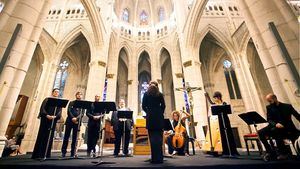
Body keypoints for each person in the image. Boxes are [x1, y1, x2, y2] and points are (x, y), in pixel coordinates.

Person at [258, 93, 300, 160]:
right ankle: (270, 151)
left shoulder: (287, 106)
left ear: (275, 98)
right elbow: (269, 119)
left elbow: (297, 116)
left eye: (270, 101)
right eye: (268, 101)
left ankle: (283, 153)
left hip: (287, 126)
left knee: (277, 132)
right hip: (274, 125)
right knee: (260, 132)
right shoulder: (269, 107)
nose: (269, 103)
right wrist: (275, 124)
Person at [205, 91, 239, 156]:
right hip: (218, 121)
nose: (214, 99)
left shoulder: (224, 103)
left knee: (228, 134)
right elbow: (210, 114)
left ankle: (232, 150)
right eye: (214, 98)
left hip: (225, 120)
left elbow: (231, 110)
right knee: (221, 135)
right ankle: (224, 150)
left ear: (219, 97)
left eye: (215, 97)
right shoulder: (213, 105)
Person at [32, 88, 62, 159]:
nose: (56, 93)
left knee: (50, 136)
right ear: (52, 92)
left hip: (53, 120)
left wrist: (55, 116)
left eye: (58, 92)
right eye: (55, 92)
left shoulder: (59, 102)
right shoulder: (47, 99)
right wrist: (47, 115)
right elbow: (42, 109)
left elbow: (60, 111)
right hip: (45, 119)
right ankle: (38, 154)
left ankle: (46, 154)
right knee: (42, 135)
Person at [142, 81, 165, 164]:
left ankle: (154, 159)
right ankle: (160, 158)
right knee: (159, 139)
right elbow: (163, 106)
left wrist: (148, 112)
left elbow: (143, 106)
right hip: (159, 117)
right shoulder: (160, 94)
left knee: (152, 139)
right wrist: (159, 112)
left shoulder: (146, 94)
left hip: (150, 117)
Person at [61, 91, 83, 158]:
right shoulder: (71, 102)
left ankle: (73, 153)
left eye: (80, 95)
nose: (79, 96)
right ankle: (63, 152)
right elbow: (69, 111)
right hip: (69, 121)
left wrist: (77, 118)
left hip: (77, 122)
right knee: (66, 137)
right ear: (76, 95)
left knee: (75, 138)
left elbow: (82, 113)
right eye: (78, 94)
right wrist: (72, 118)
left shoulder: (83, 104)